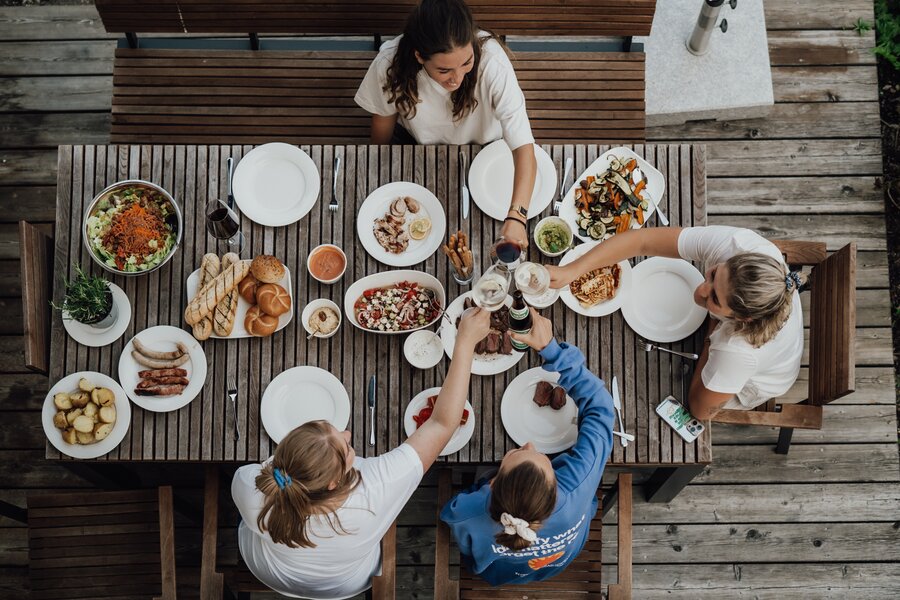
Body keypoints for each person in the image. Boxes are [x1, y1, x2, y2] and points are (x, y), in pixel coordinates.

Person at [231, 308, 491, 599]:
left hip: (268, 569)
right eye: (347, 447)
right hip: (345, 585)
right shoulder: (374, 491)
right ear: (332, 483)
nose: (348, 434)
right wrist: (465, 343)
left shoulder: (250, 485)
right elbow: (443, 423)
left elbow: (257, 476)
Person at [547, 225, 805, 420]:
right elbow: (642, 240)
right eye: (713, 275)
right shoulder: (739, 245)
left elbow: (700, 410)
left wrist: (713, 335)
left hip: (757, 381)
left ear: (742, 319)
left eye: (714, 298)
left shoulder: (736, 351)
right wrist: (573, 271)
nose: (700, 291)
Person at [440, 311, 615, 586]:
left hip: (499, 572)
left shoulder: (470, 511)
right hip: (559, 561)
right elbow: (601, 408)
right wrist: (553, 351)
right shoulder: (578, 484)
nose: (531, 444)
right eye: (543, 457)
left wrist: (481, 487)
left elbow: (451, 511)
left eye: (519, 451)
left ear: (493, 486)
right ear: (557, 486)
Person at [354, 0, 537, 248]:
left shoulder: (493, 62)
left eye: (466, 63)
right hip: (416, 146)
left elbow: (524, 148)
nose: (457, 79)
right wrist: (377, 170)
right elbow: (382, 126)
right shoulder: (390, 62)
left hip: (486, 147)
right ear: (419, 56)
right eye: (444, 70)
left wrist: (517, 216)